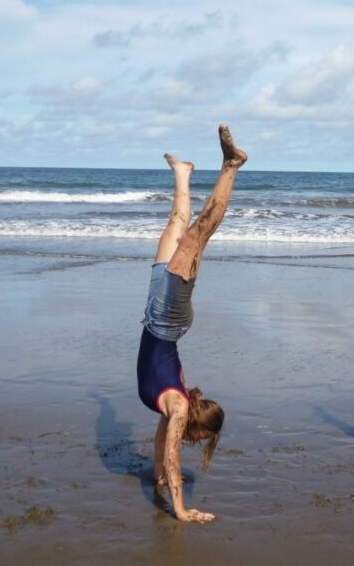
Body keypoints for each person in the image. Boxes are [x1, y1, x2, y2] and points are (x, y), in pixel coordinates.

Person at [137, 124, 247, 523]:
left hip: (155, 311)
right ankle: (231, 166)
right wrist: (180, 511)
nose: (193, 442)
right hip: (166, 318)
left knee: (177, 224)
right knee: (199, 233)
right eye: (202, 439)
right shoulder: (178, 406)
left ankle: (182, 173)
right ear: (199, 430)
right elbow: (170, 454)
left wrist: (158, 478)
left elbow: (162, 447)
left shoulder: (174, 410)